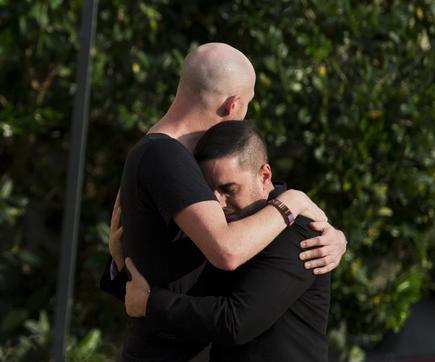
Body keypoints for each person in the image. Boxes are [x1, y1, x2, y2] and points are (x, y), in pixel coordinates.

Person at [101, 43, 346, 361]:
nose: (218, 200)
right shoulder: (164, 156)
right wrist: (293, 203)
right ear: (233, 104)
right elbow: (227, 252)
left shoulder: (168, 155)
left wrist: (333, 235)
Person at [124, 120, 331, 361]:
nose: (218, 203)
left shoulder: (299, 232)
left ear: (264, 176)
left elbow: (237, 322)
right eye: (207, 190)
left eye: (229, 189)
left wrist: (151, 303)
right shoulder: (222, 229)